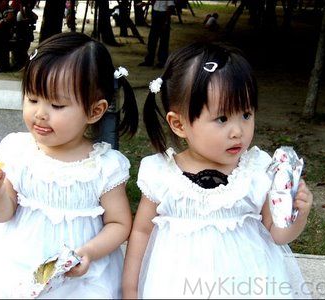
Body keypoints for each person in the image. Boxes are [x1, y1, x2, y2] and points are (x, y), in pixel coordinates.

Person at [122, 42, 313, 298]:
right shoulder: (161, 175)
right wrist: (131, 289)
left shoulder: (255, 171)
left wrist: (297, 214)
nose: (238, 131)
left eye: (246, 114)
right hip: (176, 286)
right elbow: (142, 231)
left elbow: (277, 234)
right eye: (222, 119)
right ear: (179, 124)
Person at [0, 32, 139, 299]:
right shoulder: (18, 151)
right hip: (17, 267)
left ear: (94, 111)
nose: (40, 113)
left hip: (79, 276)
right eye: (33, 99)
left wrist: (90, 251)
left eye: (57, 105)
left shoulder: (103, 166)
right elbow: (3, 214)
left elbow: (119, 223)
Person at [138, 0, 175, 68]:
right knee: (152, 39)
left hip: (163, 14)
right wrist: (146, 4)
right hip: (156, 13)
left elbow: (170, 7)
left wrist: (166, 22)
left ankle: (162, 61)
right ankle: (149, 60)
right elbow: (154, 2)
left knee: (163, 40)